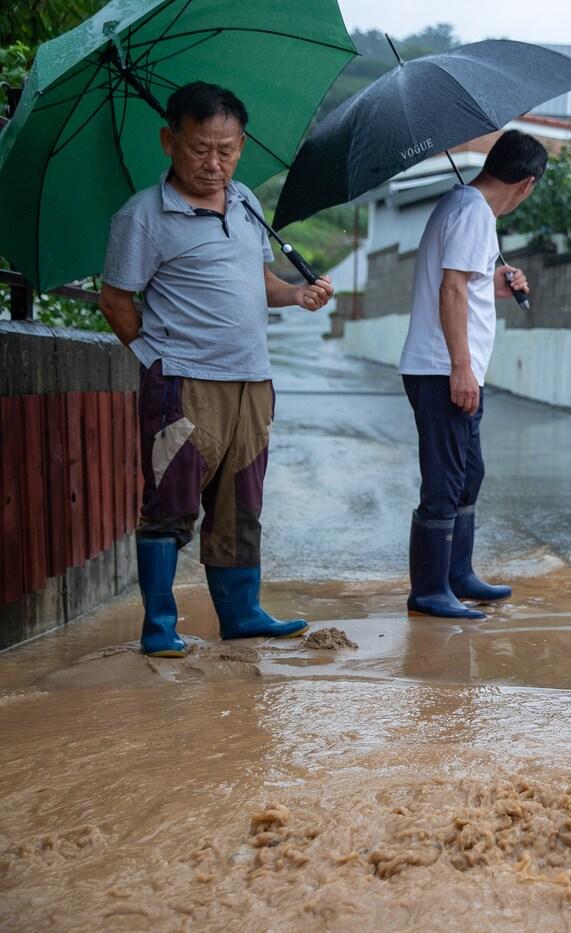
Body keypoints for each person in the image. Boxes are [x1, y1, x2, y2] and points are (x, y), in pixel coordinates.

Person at [98, 82, 333, 658]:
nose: (214, 162)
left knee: (241, 504)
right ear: (168, 140)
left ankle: (243, 614)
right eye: (201, 147)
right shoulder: (144, 218)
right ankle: (159, 626)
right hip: (184, 383)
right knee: (171, 505)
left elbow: (259, 282)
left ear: (242, 144)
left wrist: (296, 294)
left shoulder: (247, 200)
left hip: (253, 382)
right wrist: (155, 359)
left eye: (226, 149)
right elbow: (116, 301)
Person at [396, 130, 545, 618]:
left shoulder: (470, 210)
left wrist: (497, 284)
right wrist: (461, 367)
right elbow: (452, 290)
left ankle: (457, 574)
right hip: (443, 369)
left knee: (467, 474)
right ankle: (429, 589)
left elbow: (469, 284)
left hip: (454, 368)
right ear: (527, 184)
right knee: (444, 480)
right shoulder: (472, 212)